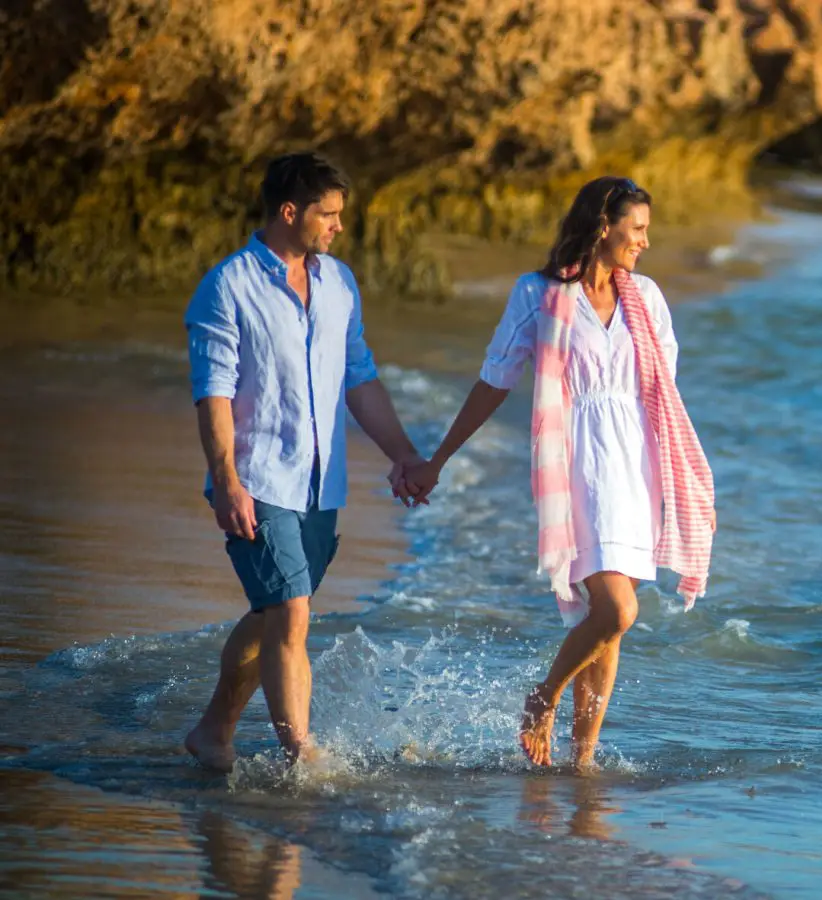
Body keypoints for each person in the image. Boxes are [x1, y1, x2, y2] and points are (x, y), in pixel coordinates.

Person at [396, 176, 716, 770]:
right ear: (603, 225)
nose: (646, 241)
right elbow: (495, 380)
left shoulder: (646, 298)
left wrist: (686, 484)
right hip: (578, 465)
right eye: (637, 228)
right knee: (616, 610)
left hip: (636, 466)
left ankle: (582, 762)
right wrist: (437, 460)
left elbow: (664, 398)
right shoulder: (538, 294)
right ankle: (542, 698)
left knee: (610, 627)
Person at [182, 152, 428, 771]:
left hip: (321, 485)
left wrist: (401, 453)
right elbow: (212, 392)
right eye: (330, 214)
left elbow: (360, 378)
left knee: (274, 614)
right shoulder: (227, 286)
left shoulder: (339, 283)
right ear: (290, 212)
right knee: (292, 613)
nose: (339, 226)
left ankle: (214, 730)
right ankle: (304, 756)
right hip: (258, 478)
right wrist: (226, 480)